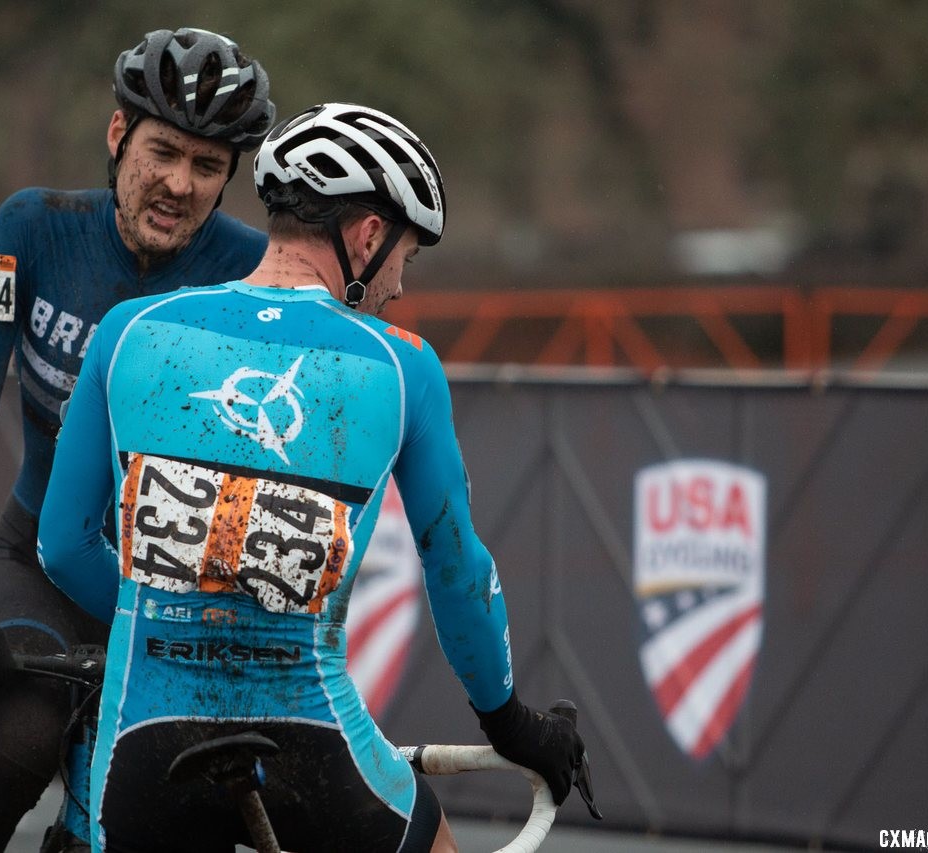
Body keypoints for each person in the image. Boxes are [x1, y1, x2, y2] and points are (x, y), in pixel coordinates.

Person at [37, 102, 589, 853]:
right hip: (308, 741)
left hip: (143, 743)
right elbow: (459, 574)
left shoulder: (128, 331)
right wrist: (514, 725)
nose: (398, 284)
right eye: (404, 256)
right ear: (367, 236)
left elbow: (63, 546)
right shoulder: (402, 364)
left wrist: (167, 619)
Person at [0, 27, 275, 852]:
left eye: (207, 166)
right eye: (162, 152)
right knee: (17, 754)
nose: (179, 184)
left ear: (229, 179)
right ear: (118, 137)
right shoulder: (30, 228)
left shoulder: (254, 274)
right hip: (41, 564)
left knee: (193, 812)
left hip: (176, 589)